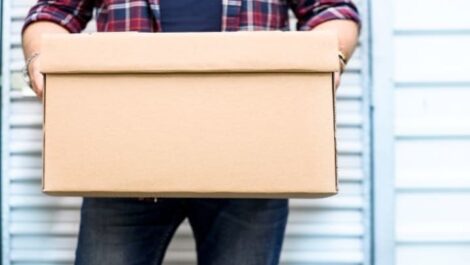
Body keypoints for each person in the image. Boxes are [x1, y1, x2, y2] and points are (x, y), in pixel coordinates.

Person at [22, 1, 360, 264]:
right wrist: (41, 56)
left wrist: (327, 58)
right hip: (124, 163)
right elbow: (54, 11)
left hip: (252, 166)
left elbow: (331, 10)